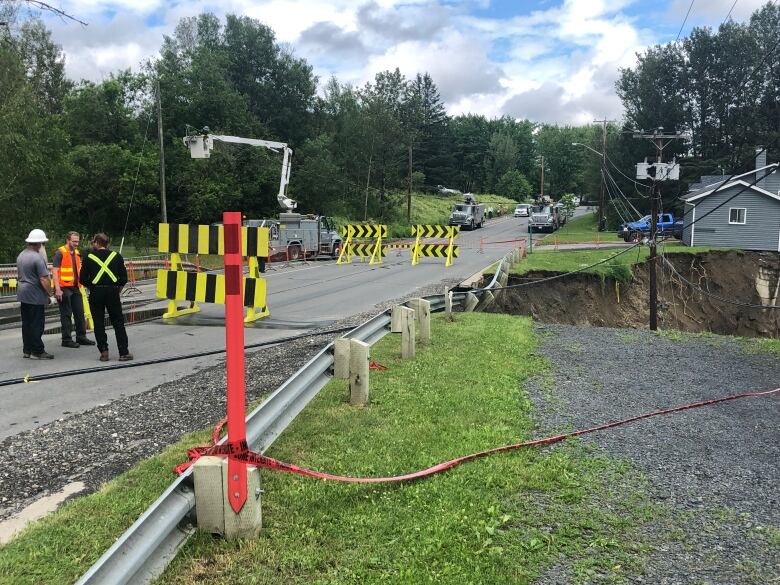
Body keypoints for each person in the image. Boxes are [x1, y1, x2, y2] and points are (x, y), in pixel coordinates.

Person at [79, 233, 133, 362]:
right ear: (107, 243)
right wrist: (117, 289)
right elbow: (123, 278)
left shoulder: (88, 258)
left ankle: (104, 352)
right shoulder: (117, 256)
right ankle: (123, 352)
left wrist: (92, 286)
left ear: (96, 243)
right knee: (118, 322)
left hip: (96, 292)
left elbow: (82, 279)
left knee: (98, 323)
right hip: (112, 292)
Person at [52, 231, 95, 348]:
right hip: (63, 287)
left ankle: (81, 337)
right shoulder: (60, 252)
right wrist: (57, 289)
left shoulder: (76, 252)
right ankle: (66, 339)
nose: (76, 243)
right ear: (68, 240)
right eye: (74, 241)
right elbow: (55, 271)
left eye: (77, 241)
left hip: (75, 286)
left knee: (79, 312)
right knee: (66, 314)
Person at [17, 229, 55, 359]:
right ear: (39, 243)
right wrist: (50, 294)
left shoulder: (21, 255)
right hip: (35, 295)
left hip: (23, 293)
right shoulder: (37, 257)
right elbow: (44, 279)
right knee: (37, 324)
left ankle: (27, 350)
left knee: (27, 323)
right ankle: (37, 351)